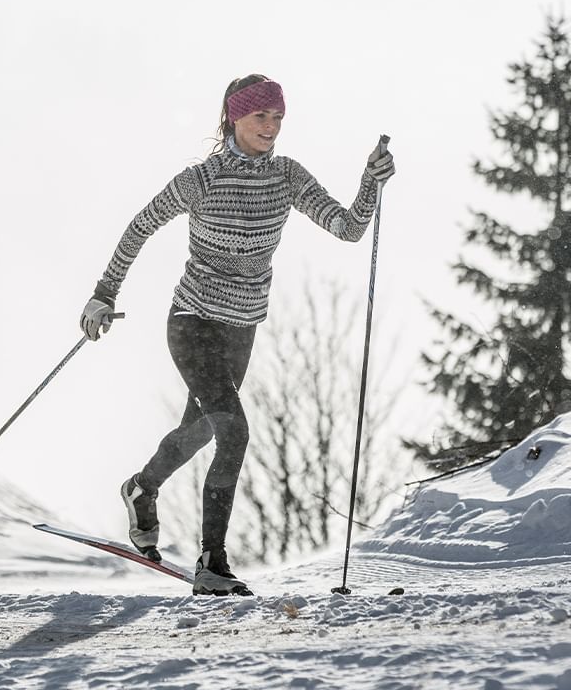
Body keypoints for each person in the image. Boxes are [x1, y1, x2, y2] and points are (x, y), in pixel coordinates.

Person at [80, 74, 395, 596]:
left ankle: (142, 487)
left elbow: (348, 227)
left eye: (277, 118)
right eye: (259, 117)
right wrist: (104, 294)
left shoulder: (287, 177)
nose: (270, 127)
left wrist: (370, 183)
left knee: (204, 429)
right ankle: (212, 562)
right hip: (192, 321)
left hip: (241, 328)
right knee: (234, 431)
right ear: (233, 117)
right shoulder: (201, 179)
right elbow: (140, 226)